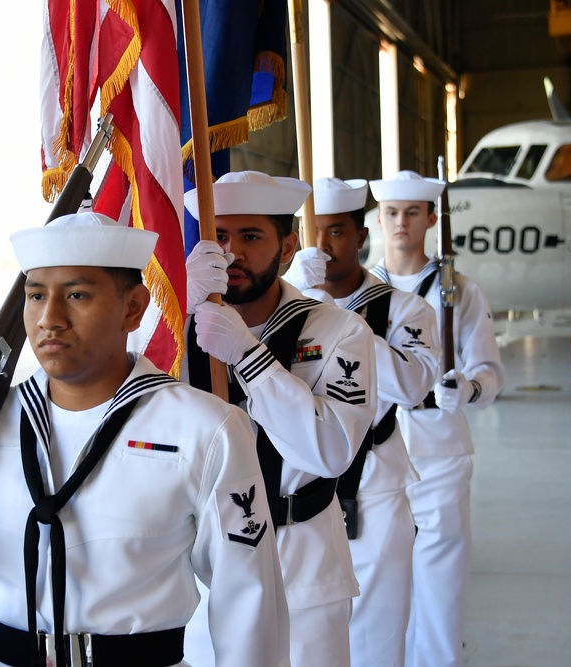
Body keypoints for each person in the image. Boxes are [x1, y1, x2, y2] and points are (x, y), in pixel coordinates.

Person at [0, 212, 291, 667]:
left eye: (77, 294)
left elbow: (247, 599)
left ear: (133, 307)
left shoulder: (205, 428)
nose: (50, 319)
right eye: (36, 295)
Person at [181, 171, 377, 667]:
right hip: (205, 562)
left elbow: (331, 451)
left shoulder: (338, 331)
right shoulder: (178, 333)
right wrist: (181, 313)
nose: (232, 253)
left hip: (301, 558)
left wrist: (248, 357)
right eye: (219, 236)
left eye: (251, 237)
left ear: (288, 247)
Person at [283, 177, 439, 667]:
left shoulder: (403, 309)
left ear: (360, 236)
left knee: (377, 637)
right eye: (312, 233)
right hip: (301, 492)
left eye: (335, 232)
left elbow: (413, 386)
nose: (323, 247)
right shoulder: (284, 310)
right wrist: (304, 305)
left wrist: (341, 325)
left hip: (374, 486)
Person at [368, 170, 505, 667]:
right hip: (376, 453)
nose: (400, 222)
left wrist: (468, 386)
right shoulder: (358, 292)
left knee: (441, 587)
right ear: (378, 219)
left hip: (440, 450)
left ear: (430, 218)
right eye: (391, 212)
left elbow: (489, 369)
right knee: (379, 589)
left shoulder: (460, 290)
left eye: (411, 213)